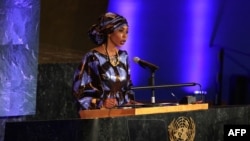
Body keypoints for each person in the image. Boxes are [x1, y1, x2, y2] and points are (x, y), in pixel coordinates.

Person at [72, 12, 137, 110]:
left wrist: (128, 102)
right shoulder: (93, 57)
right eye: (121, 31)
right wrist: (101, 103)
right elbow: (79, 91)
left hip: (122, 115)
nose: (125, 36)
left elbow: (128, 89)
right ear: (109, 33)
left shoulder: (124, 56)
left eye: (127, 32)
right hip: (100, 118)